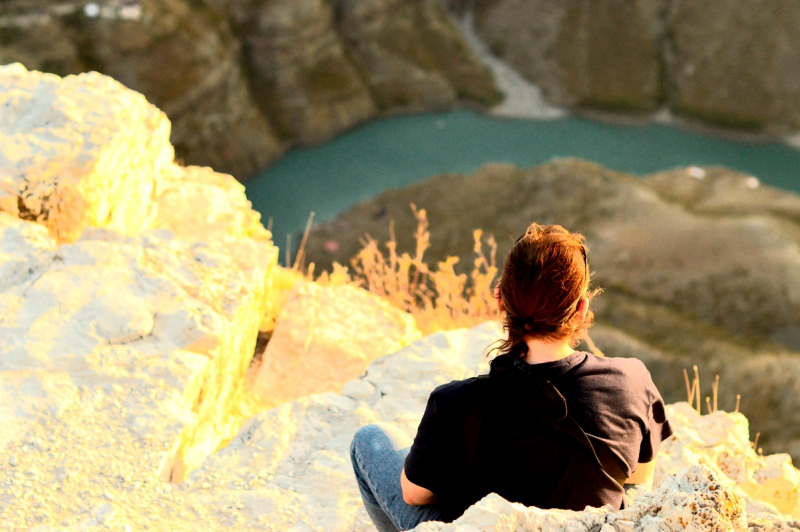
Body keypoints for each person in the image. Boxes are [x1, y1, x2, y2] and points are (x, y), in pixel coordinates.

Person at [350, 223, 673, 532]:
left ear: (500, 300)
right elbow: (638, 476)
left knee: (369, 440)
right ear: (580, 308)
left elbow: (414, 494)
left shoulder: (456, 403)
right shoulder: (632, 380)